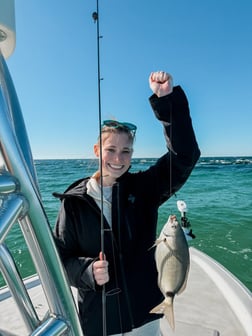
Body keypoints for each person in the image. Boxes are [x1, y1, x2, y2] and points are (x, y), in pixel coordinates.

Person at [53, 71, 200, 336]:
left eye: (126, 151)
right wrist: (86, 272)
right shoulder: (73, 203)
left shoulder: (145, 189)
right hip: (99, 322)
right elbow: (60, 258)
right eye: (111, 150)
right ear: (97, 150)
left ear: (132, 154)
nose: (118, 159)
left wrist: (167, 103)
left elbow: (185, 156)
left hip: (147, 313)